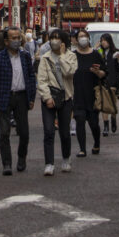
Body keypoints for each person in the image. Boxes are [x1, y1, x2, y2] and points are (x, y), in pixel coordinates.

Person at [0, 27, 36, 176]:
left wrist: (32, 97)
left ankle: (21, 158)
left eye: (18, 38)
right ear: (6, 41)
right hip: (4, 95)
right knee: (4, 132)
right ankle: (7, 164)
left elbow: (31, 77)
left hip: (22, 96)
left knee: (24, 132)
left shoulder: (26, 56)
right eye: (13, 38)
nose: (17, 41)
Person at [38, 29, 78, 175]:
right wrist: (47, 97)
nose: (54, 41)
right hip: (49, 97)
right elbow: (41, 80)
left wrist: (61, 57)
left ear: (63, 41)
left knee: (65, 132)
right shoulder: (45, 58)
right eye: (52, 38)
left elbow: (69, 73)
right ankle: (49, 163)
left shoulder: (71, 56)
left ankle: (66, 159)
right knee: (48, 131)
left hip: (66, 97)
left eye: (57, 38)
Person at [72, 29, 106, 156]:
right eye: (80, 37)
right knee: (79, 120)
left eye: (84, 36)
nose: (83, 39)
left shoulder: (96, 54)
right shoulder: (73, 55)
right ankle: (82, 149)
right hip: (78, 94)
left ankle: (96, 143)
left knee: (94, 123)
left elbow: (104, 73)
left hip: (92, 94)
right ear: (76, 40)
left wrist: (97, 72)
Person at [99, 33, 119, 136]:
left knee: (113, 104)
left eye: (105, 40)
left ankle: (113, 118)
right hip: (102, 81)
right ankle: (106, 126)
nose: (103, 42)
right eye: (102, 40)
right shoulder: (99, 52)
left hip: (113, 82)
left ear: (109, 41)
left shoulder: (116, 52)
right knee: (104, 105)